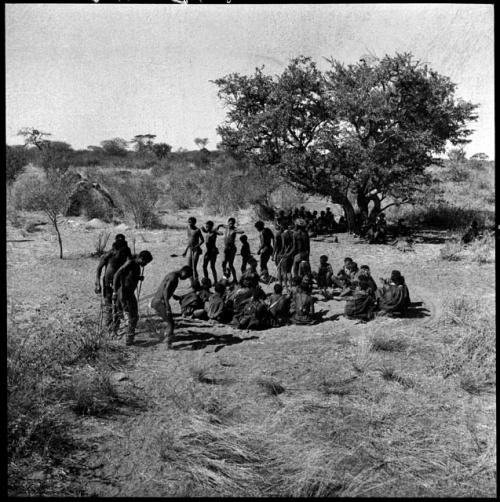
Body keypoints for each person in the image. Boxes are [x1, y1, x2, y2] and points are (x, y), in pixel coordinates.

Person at [111, 250, 153, 345]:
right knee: (130, 316)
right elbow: (117, 274)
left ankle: (117, 333)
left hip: (129, 293)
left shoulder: (136, 265)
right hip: (124, 293)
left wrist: (138, 278)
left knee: (130, 315)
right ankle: (128, 339)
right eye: (145, 262)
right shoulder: (130, 262)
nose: (145, 265)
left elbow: (129, 277)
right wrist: (114, 292)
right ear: (141, 258)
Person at [94, 234, 133, 331]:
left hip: (120, 283)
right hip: (107, 282)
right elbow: (99, 269)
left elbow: (130, 266)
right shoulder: (109, 254)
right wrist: (97, 283)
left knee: (117, 305)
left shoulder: (126, 254)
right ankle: (108, 325)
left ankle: (115, 326)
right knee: (108, 305)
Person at [150, 265, 193, 348]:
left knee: (168, 321)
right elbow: (165, 291)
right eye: (186, 276)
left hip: (157, 301)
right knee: (171, 323)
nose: (186, 278)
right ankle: (168, 344)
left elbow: (166, 289)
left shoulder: (172, 275)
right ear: (184, 272)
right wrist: (167, 306)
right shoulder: (173, 278)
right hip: (160, 302)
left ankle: (165, 337)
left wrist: (172, 295)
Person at [220, 217, 244, 283]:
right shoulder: (226, 227)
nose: (231, 224)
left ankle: (235, 279)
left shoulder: (234, 229)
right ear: (228, 223)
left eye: (232, 223)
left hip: (232, 249)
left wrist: (235, 231)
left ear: (234, 224)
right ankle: (225, 276)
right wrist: (218, 227)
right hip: (226, 248)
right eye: (230, 223)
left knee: (230, 265)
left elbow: (242, 231)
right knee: (223, 263)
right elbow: (221, 225)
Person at [201, 220, 223, 284]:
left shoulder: (213, 232)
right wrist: (203, 229)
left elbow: (221, 233)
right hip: (208, 252)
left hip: (213, 251)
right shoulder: (207, 231)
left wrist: (215, 230)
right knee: (204, 266)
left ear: (211, 227)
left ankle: (215, 281)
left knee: (212, 266)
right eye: (206, 226)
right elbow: (205, 230)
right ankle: (207, 280)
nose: (206, 227)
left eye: (208, 226)